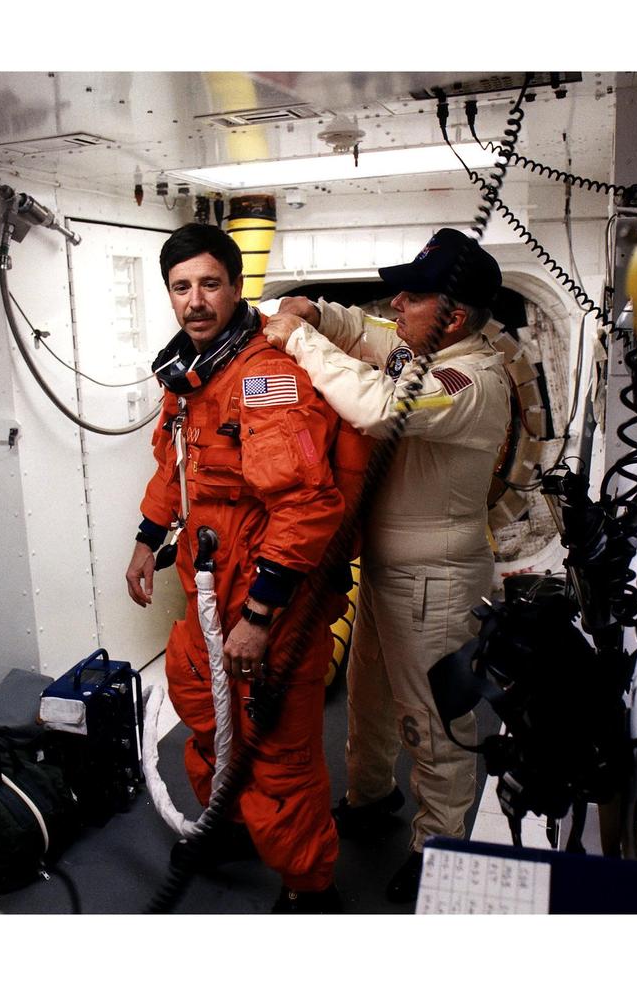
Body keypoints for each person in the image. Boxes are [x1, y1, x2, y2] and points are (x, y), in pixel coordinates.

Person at [262, 228, 511, 904]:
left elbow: (376, 408)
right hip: (388, 568)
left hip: (436, 580)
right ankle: (371, 798)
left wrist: (296, 340)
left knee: (433, 725)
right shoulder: (420, 347)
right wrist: (315, 312)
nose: (398, 301)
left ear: (453, 317)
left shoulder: (468, 380)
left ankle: (440, 851)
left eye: (415, 294)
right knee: (369, 702)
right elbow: (369, 331)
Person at [125, 224, 346, 913]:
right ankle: (235, 824)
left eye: (209, 284)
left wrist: (258, 616)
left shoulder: (265, 378)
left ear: (235, 287)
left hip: (266, 602)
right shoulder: (189, 377)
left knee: (276, 754)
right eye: (181, 287)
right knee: (202, 716)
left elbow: (307, 504)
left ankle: (309, 885)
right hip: (207, 592)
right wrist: (145, 540)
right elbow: (177, 467)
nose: (196, 300)